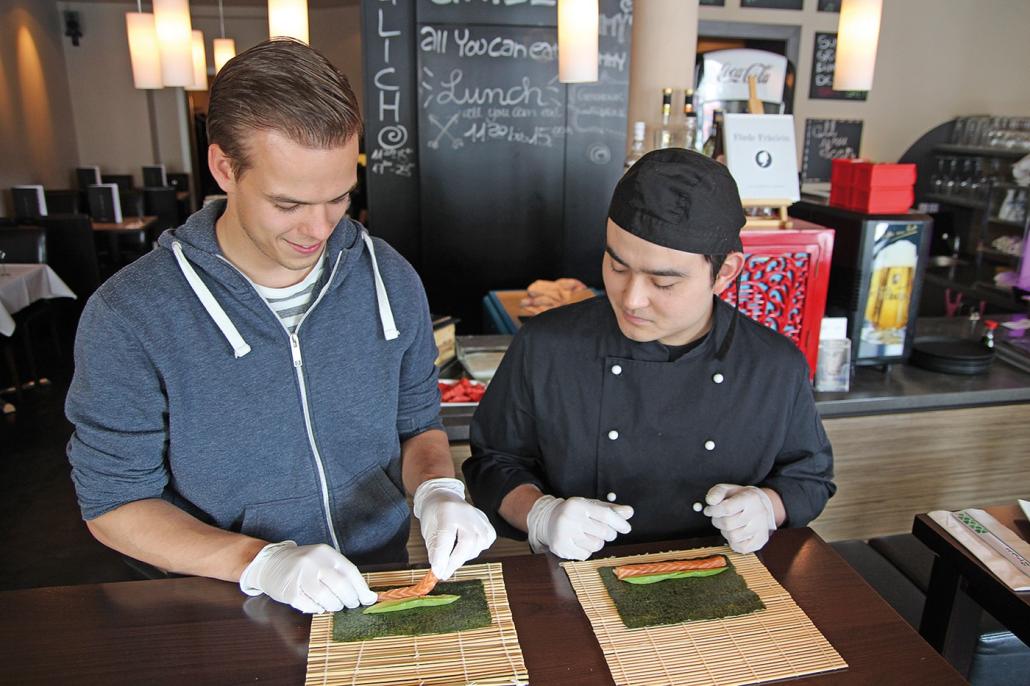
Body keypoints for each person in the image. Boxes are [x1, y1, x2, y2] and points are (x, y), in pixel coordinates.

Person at [66, 39, 495, 613]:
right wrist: (260, 563)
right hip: (220, 603)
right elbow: (114, 505)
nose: (318, 228)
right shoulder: (129, 316)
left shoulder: (389, 277)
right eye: (288, 203)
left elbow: (417, 425)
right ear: (224, 167)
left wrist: (439, 489)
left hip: (377, 578)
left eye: (340, 196)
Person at [463, 148, 835, 561]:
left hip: (724, 586)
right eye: (617, 266)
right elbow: (493, 463)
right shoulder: (547, 345)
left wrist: (769, 506)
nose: (632, 299)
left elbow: (810, 476)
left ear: (725, 273)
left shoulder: (773, 364)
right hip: (576, 585)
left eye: (663, 282)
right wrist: (540, 515)